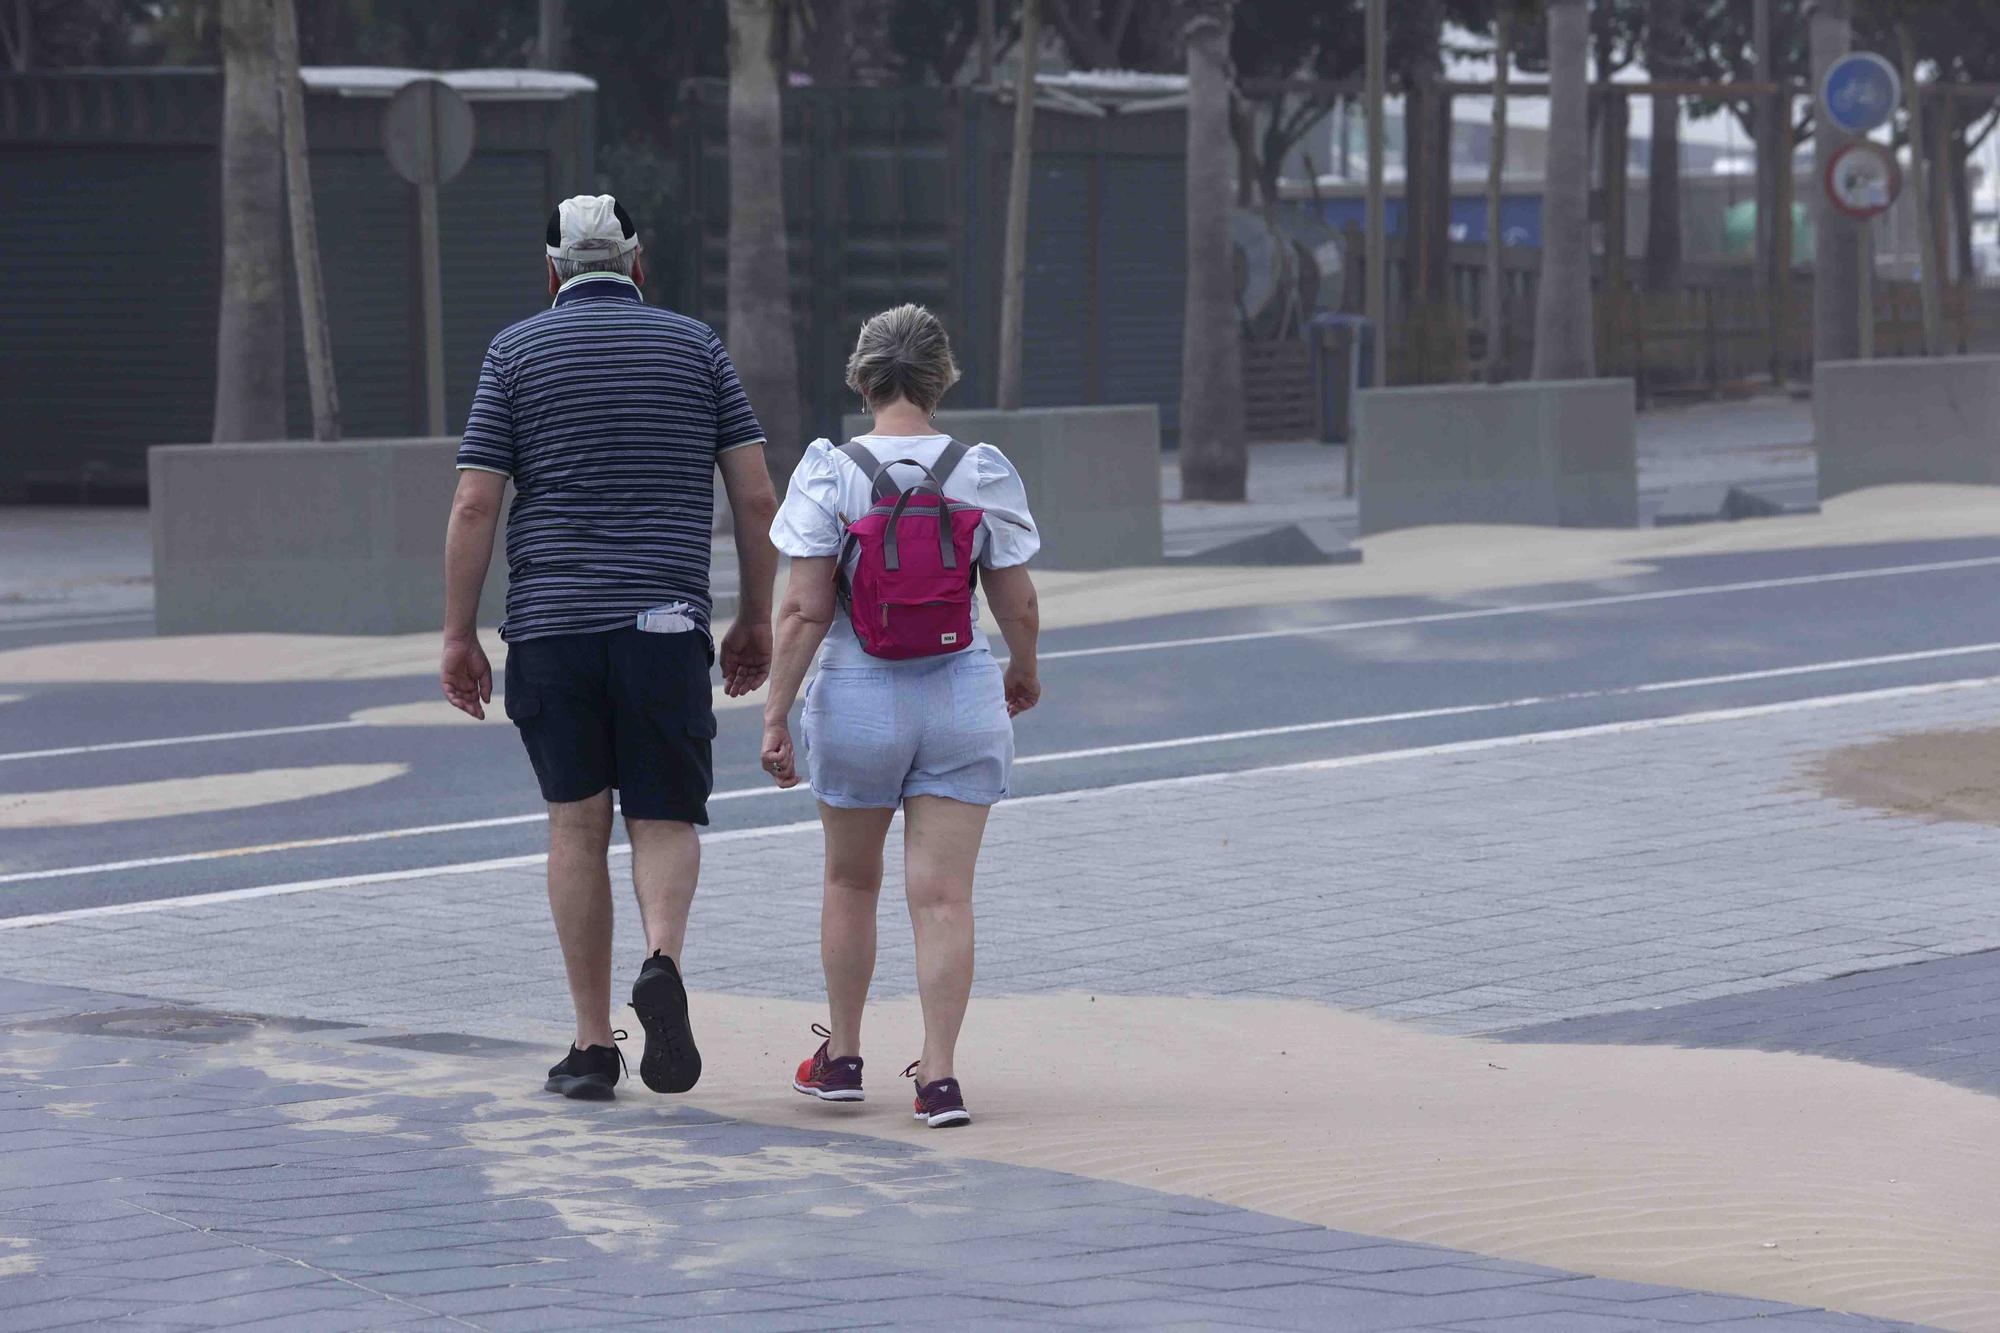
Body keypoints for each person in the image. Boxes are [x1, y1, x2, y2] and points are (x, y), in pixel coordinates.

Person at [440, 194, 779, 1101]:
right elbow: (755, 497)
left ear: (550, 270)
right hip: (665, 624)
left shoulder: (513, 353)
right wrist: (756, 617)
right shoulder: (696, 347)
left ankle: (593, 1045)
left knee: (575, 824)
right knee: (664, 816)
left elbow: (476, 502)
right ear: (639, 263)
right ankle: (661, 957)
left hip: (551, 627)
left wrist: (457, 631)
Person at [760, 304, 1041, 1128]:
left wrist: (777, 713)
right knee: (945, 896)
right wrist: (1021, 671)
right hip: (958, 691)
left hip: (857, 693)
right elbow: (1016, 600)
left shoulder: (828, 470)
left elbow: (804, 611)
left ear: (860, 378)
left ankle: (842, 1056)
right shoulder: (980, 468)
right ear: (943, 377)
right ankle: (940, 1077)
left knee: (851, 881)